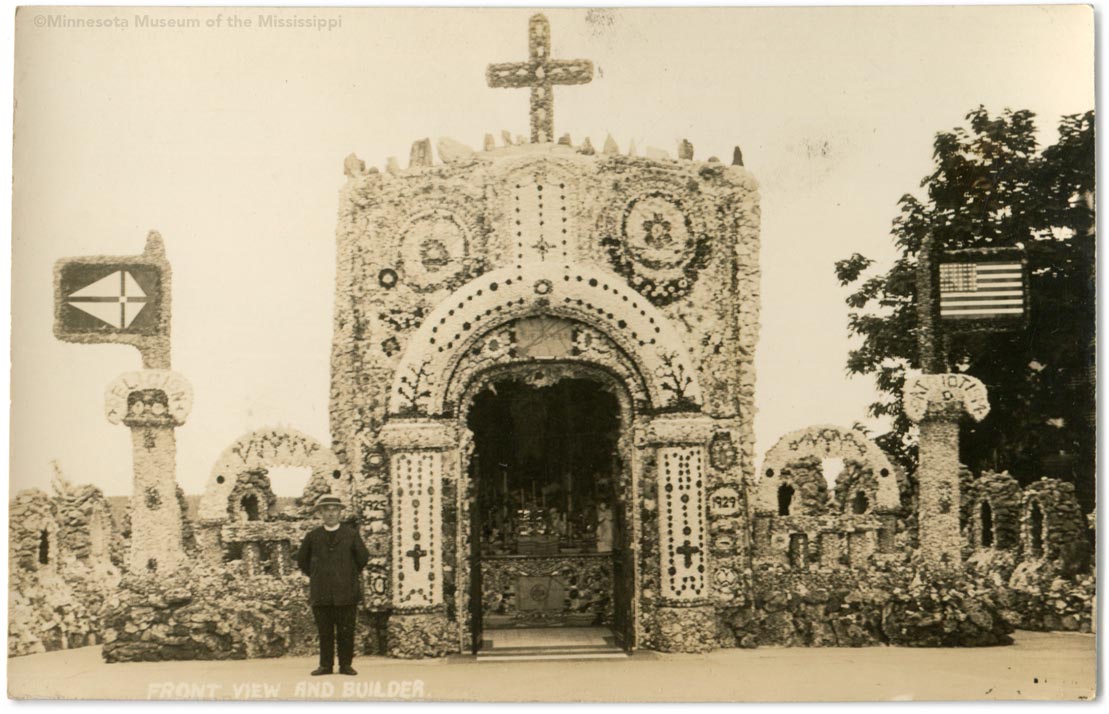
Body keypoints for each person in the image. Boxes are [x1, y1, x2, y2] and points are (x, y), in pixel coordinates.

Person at [296, 494, 369, 676]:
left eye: (334, 510)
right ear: (320, 513)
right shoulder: (313, 536)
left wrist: (347, 574)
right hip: (321, 592)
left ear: (340, 513)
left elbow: (362, 558)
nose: (330, 514)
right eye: (326, 510)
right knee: (325, 632)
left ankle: (346, 665)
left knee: (346, 631)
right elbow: (302, 560)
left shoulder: (351, 535)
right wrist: (316, 575)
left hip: (346, 592)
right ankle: (325, 666)